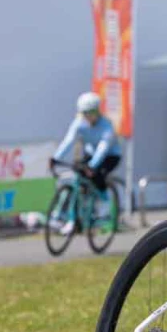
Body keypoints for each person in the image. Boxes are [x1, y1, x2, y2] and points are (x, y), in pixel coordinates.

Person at [50, 91, 121, 234]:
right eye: (85, 113)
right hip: (91, 153)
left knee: (98, 175)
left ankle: (104, 209)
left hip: (110, 155)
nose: (88, 116)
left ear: (98, 111)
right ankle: (72, 219)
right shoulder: (79, 123)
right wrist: (55, 158)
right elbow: (68, 141)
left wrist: (92, 166)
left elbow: (103, 148)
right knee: (77, 179)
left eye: (92, 112)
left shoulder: (106, 126)